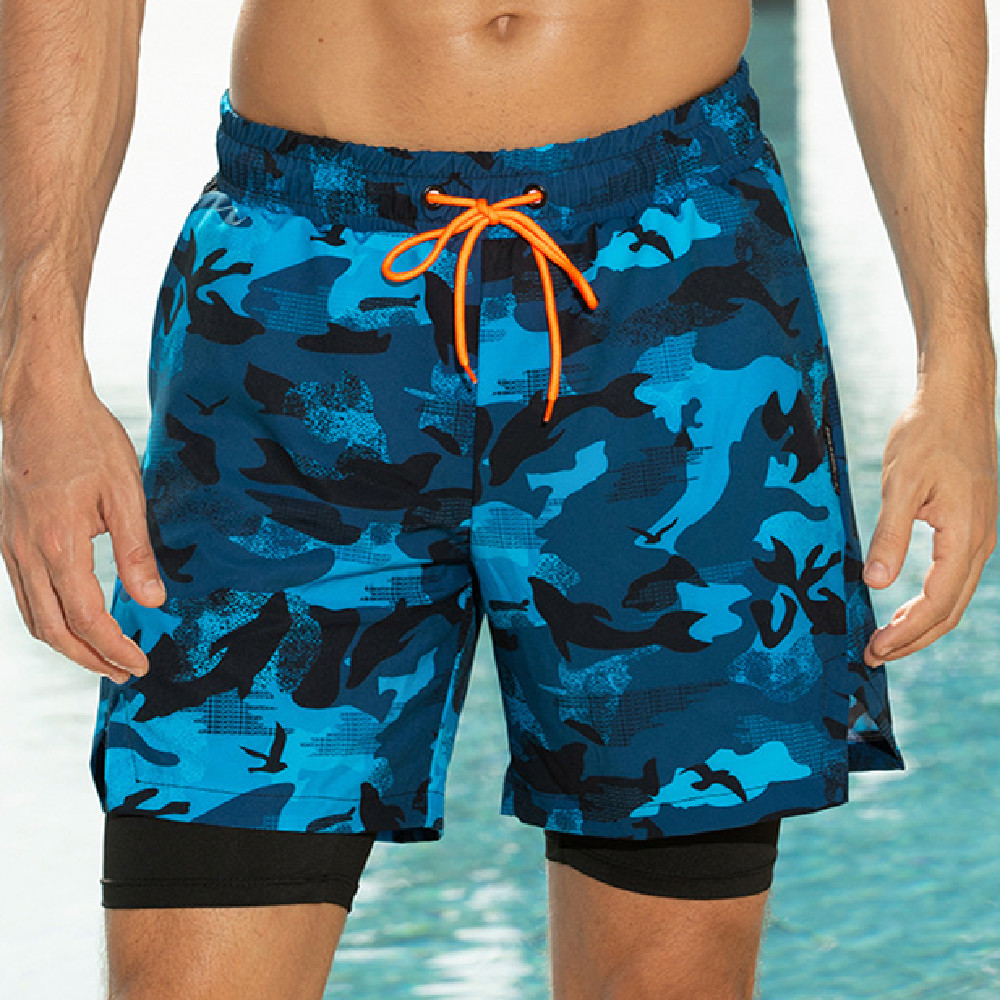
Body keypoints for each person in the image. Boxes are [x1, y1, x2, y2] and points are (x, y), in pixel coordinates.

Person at [0, 1, 994, 997]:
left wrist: (957, 363)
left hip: (672, 282)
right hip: (299, 294)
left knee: (668, 979)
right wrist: (36, 363)